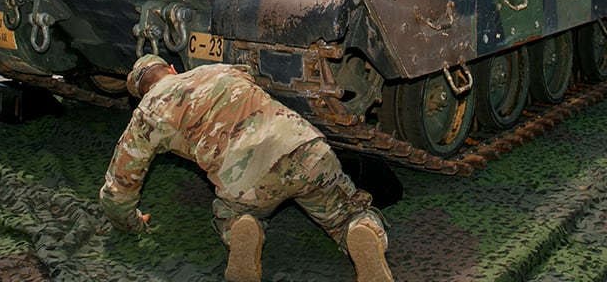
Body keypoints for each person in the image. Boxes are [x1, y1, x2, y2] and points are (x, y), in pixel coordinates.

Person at [99, 55, 394, 282]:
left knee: (235, 211)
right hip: (307, 150)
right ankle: (358, 232)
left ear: (142, 91)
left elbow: (120, 185)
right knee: (345, 213)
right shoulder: (218, 69)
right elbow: (249, 76)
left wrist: (131, 222)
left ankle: (243, 226)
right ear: (172, 69)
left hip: (247, 181)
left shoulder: (148, 113)